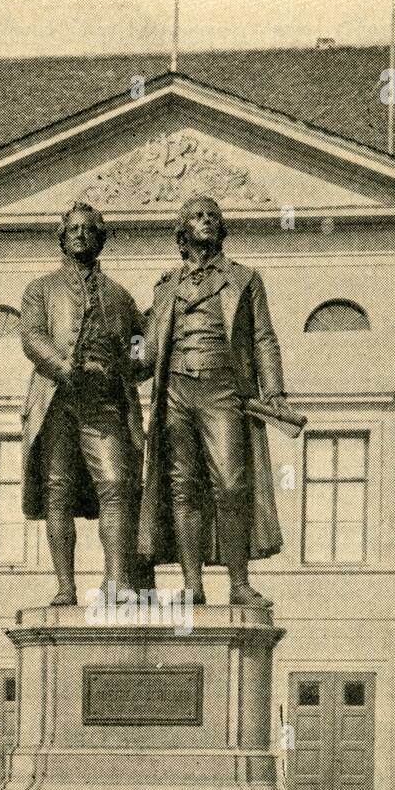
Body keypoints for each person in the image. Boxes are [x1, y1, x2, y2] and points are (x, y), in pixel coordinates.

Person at [138, 195, 286, 607]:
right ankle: (192, 584)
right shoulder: (167, 284)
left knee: (231, 483)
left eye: (212, 217)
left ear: (221, 229)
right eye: (197, 217)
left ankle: (239, 583)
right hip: (175, 393)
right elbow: (148, 350)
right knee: (182, 486)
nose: (206, 221)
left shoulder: (245, 278)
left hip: (223, 389)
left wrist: (273, 390)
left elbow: (263, 338)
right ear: (183, 232)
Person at [19, 202, 148, 605]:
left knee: (116, 483)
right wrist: (66, 367)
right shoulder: (40, 289)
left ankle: (117, 584)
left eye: (89, 229)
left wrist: (131, 361)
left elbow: (141, 348)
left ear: (101, 239)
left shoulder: (121, 297)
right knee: (58, 489)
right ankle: (66, 587)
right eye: (73, 229)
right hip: (57, 399)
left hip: (104, 403)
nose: (80, 234)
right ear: (62, 238)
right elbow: (32, 337)